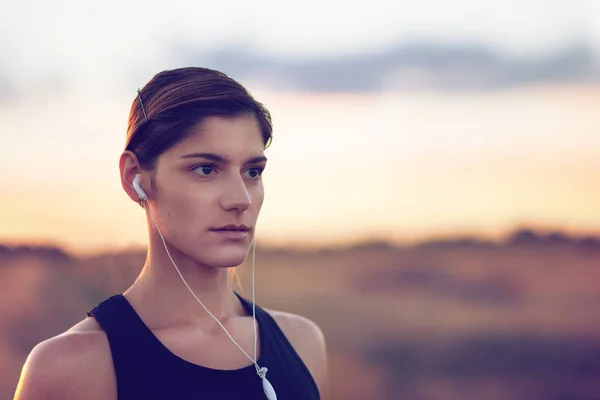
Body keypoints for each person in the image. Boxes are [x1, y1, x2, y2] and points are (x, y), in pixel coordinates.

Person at [14, 67, 328, 399]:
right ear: (135, 177)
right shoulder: (72, 366)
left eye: (252, 171)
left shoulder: (302, 342)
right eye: (205, 169)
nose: (241, 199)